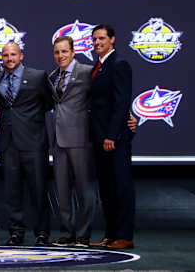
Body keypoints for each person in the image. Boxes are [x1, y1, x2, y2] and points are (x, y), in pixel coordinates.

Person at [0, 41, 54, 246]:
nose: (9, 59)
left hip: (34, 143)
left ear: (21, 56)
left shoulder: (37, 77)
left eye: (13, 55)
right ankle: (16, 232)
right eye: (5, 55)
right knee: (12, 191)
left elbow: (49, 103)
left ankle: (42, 233)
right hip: (8, 143)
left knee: (38, 190)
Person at [89, 24, 135, 250]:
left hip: (113, 139)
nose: (97, 43)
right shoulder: (96, 67)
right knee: (106, 189)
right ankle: (111, 234)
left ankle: (125, 235)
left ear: (113, 39)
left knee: (122, 187)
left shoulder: (119, 64)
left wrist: (112, 136)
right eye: (95, 39)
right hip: (99, 139)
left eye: (102, 39)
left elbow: (121, 104)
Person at [48, 36, 96, 247]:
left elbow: (104, 97)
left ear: (73, 51)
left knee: (85, 189)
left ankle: (83, 235)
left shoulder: (87, 72)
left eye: (64, 51)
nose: (61, 56)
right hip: (58, 141)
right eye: (57, 52)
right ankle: (68, 232)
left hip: (80, 139)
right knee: (62, 190)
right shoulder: (52, 76)